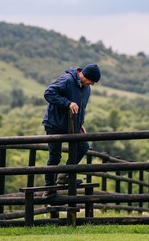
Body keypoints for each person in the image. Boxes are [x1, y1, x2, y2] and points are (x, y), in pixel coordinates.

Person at [41, 64, 101, 198]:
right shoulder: (67, 80)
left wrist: (80, 124)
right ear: (84, 76)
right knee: (55, 156)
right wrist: (67, 103)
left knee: (83, 146)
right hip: (55, 123)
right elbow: (48, 93)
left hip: (72, 126)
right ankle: (49, 189)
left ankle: (64, 175)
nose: (92, 84)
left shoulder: (86, 89)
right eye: (91, 81)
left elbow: (81, 108)